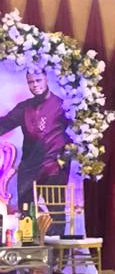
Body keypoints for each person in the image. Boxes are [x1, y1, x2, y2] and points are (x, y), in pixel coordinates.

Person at [0, 70, 69, 213]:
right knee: (26, 212)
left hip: (54, 168)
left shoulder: (62, 106)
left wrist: (65, 157)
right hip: (29, 168)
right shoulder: (24, 108)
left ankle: (50, 227)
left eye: (38, 80)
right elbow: (4, 124)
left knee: (56, 213)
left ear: (46, 80)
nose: (35, 85)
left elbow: (76, 134)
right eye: (31, 82)